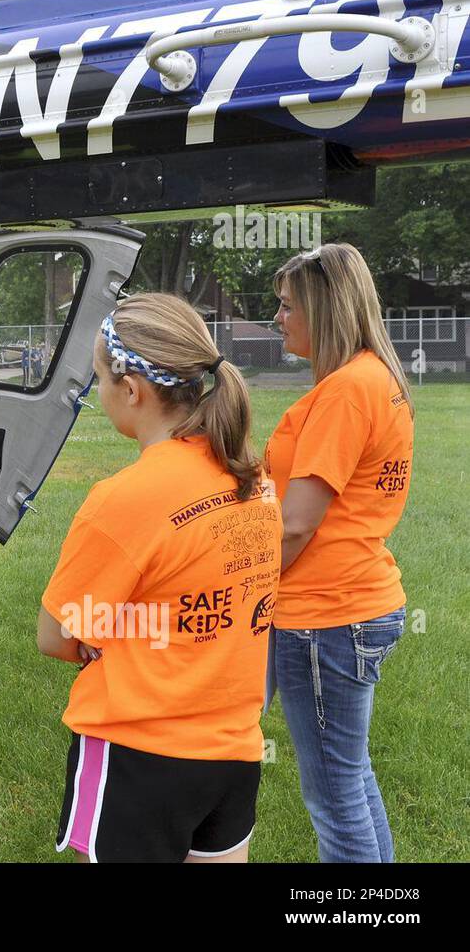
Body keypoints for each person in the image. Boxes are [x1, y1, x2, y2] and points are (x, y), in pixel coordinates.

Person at [38, 293, 280, 863]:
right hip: (234, 749)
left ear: (132, 389)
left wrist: (124, 633)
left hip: (137, 748)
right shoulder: (256, 479)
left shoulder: (124, 499)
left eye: (99, 378)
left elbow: (56, 635)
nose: (98, 393)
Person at [266, 243, 414, 863]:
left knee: (334, 795)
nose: (278, 317)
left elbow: (297, 525)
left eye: (287, 305)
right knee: (349, 779)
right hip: (353, 604)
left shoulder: (348, 389)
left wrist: (248, 578)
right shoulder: (371, 377)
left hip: (326, 615)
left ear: (323, 310)